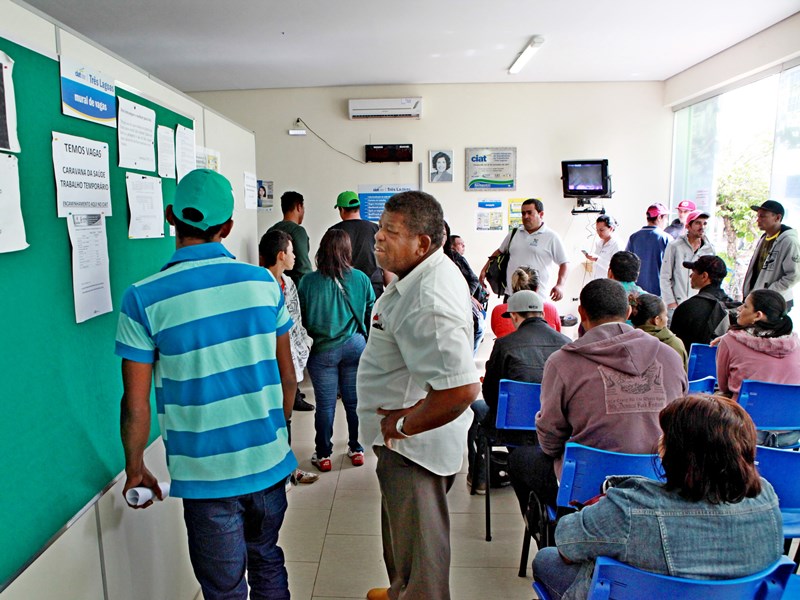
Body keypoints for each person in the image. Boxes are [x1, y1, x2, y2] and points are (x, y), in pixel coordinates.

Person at [115, 169, 297, 599]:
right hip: (267, 461)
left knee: (224, 588)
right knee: (267, 557)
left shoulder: (142, 298)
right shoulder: (263, 284)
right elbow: (288, 374)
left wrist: (135, 466)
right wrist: (278, 433)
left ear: (169, 217)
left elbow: (135, 403)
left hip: (205, 474)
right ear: (229, 227)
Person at [533, 394, 783, 600]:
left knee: (545, 558)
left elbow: (566, 546)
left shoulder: (631, 507)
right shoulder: (766, 495)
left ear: (678, 453)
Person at [356, 191, 480, 600]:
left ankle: (414, 592)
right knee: (405, 539)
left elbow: (461, 388)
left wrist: (404, 423)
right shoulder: (420, 277)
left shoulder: (428, 298)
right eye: (380, 229)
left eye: (390, 232)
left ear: (422, 243)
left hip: (415, 448)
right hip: (406, 442)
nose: (378, 239)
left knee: (422, 553)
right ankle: (400, 589)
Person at [508, 278, 687, 513]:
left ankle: (557, 535)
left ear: (581, 312)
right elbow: (683, 424)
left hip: (588, 487)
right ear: (629, 311)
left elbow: (550, 438)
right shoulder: (670, 356)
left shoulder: (562, 363)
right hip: (660, 479)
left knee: (521, 460)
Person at [468, 290, 570, 491]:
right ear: (541, 313)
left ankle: (479, 480)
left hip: (512, 428)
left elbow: (490, 395)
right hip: (556, 426)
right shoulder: (566, 343)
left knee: (477, 410)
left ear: (514, 315)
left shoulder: (505, 345)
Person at [298, 229, 375, 472]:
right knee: (354, 402)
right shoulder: (361, 278)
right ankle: (357, 448)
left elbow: (301, 317)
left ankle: (323, 455)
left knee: (326, 405)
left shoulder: (308, 282)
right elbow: (371, 310)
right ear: (347, 251)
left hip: (323, 350)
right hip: (354, 346)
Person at [259, 230, 319, 484]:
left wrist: (301, 347)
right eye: (292, 251)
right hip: (267, 365)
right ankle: (275, 476)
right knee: (271, 420)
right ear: (282, 255)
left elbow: (295, 322)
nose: (296, 257)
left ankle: (288, 470)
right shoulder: (259, 286)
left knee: (287, 419)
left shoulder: (289, 283)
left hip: (290, 362)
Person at [716, 289, 800, 447]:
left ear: (758, 315)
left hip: (745, 434)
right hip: (791, 435)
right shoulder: (796, 345)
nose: (739, 309)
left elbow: (724, 386)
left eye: (745, 306)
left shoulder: (730, 341)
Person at [480, 198, 569, 300]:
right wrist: (484, 270)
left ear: (541, 214)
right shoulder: (514, 233)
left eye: (529, 213)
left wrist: (560, 285)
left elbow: (564, 263)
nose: (525, 216)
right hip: (511, 295)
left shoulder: (551, 237)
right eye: (523, 213)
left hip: (537, 296)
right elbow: (499, 252)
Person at [328, 190, 390, 299]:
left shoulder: (333, 231)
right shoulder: (376, 229)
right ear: (359, 207)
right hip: (373, 288)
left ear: (341, 209)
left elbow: (327, 264)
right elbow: (386, 264)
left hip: (343, 290)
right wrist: (390, 289)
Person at [743, 200, 800, 310]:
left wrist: (770, 292)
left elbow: (793, 275)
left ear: (777, 218)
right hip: (758, 299)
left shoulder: (789, 241)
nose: (758, 220)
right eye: (758, 216)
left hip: (775, 302)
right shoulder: (764, 238)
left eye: (763, 216)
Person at [671, 255, 735, 351]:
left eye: (694, 272)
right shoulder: (733, 307)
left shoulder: (687, 308)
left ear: (704, 276)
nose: (690, 276)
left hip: (692, 363)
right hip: (724, 364)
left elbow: (675, 347)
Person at [659, 209, 714, 319]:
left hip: (699, 305)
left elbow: (711, 278)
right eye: (698, 223)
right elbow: (665, 276)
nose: (702, 227)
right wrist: (671, 302)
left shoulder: (709, 249)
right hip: (677, 305)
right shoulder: (674, 246)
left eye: (705, 223)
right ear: (688, 226)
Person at [445, 223, 487, 354]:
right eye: (460, 244)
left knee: (478, 326)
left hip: (466, 300)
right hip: (455, 302)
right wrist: (468, 297)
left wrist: (468, 296)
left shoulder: (457, 259)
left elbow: (473, 279)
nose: (463, 247)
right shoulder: (450, 257)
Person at [490, 266, 561, 337]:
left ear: (513, 286)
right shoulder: (551, 310)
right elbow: (557, 336)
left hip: (507, 347)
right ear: (537, 288)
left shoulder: (498, 311)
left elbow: (497, 332)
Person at [630, 293, 688, 370]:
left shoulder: (626, 340)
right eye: (665, 315)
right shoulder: (674, 344)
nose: (667, 319)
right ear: (657, 320)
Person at [267, 190, 312, 285]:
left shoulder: (271, 230)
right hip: (294, 288)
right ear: (299, 207)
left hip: (273, 284)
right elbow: (304, 267)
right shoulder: (298, 231)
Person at [625, 203, 671, 295]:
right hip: (659, 294)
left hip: (636, 294)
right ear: (659, 217)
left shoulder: (634, 237)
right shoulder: (666, 238)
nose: (667, 221)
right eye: (666, 217)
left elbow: (626, 263)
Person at [583, 214, 620, 282]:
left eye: (601, 230)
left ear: (611, 228)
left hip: (609, 283)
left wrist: (597, 259)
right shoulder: (599, 243)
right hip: (596, 281)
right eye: (597, 230)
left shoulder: (617, 244)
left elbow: (616, 269)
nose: (598, 233)